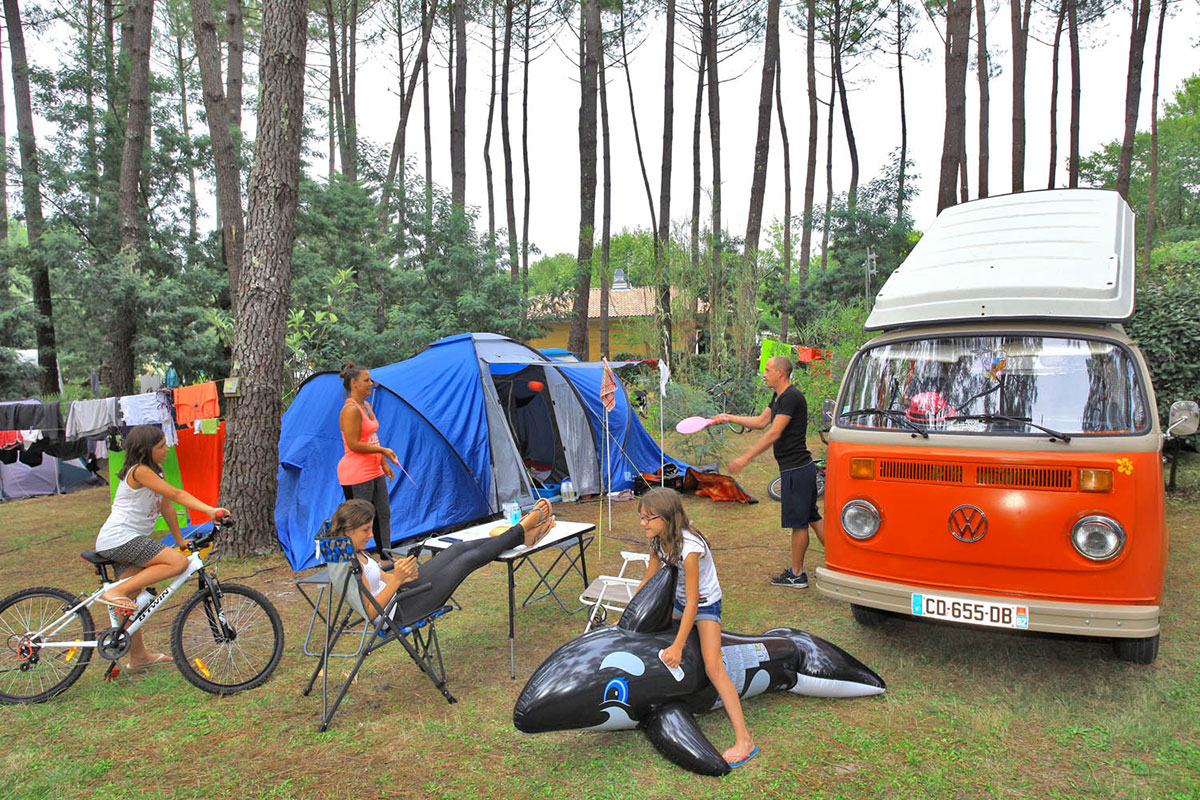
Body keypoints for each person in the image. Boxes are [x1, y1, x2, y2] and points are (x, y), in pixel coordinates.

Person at [633, 488, 757, 768]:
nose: (643, 523)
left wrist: (677, 646)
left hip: (704, 605)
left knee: (713, 665)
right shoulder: (656, 541)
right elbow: (648, 581)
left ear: (667, 518)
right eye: (641, 517)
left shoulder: (689, 548)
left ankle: (744, 740)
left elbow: (692, 603)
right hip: (677, 601)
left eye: (649, 518)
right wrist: (628, 616)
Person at [95, 425, 229, 668]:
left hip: (125, 539)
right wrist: (211, 511)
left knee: (133, 596)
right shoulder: (140, 471)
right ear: (146, 450)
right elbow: (177, 494)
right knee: (177, 563)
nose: (167, 449)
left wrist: (179, 539)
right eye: (161, 446)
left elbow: (166, 505)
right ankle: (115, 592)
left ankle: (138, 657)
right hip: (121, 538)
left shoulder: (155, 472)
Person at [335, 497, 556, 624]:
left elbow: (380, 577)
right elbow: (370, 611)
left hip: (402, 591)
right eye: (365, 530)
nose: (371, 535)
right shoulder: (348, 563)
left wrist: (400, 576)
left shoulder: (350, 549)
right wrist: (397, 581)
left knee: (458, 547)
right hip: (401, 610)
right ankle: (522, 529)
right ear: (347, 530)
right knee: (467, 560)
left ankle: (522, 534)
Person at [716, 355, 825, 589]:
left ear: (780, 373)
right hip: (798, 468)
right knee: (812, 517)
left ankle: (797, 575)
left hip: (796, 469)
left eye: (767, 370)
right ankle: (840, 561)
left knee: (800, 524)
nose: (764, 374)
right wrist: (727, 418)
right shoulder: (778, 396)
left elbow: (774, 433)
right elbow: (761, 422)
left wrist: (745, 457)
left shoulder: (791, 397)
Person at [337, 361, 401, 557]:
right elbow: (354, 443)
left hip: (373, 470)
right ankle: (357, 559)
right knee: (360, 520)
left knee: (383, 515)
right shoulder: (350, 409)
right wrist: (383, 451)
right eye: (366, 380)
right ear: (354, 383)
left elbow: (372, 437)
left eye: (370, 380)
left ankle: (386, 556)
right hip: (357, 474)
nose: (371, 383)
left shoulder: (365, 406)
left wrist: (383, 463)